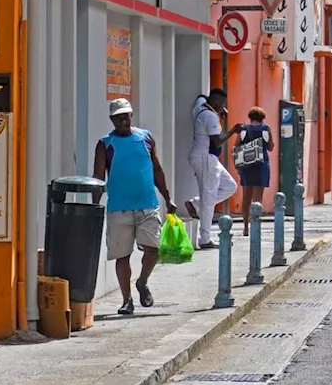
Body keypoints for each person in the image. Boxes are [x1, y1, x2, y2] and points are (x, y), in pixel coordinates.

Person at [92, 98, 176, 316]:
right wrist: (94, 205)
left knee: (153, 249)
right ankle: (126, 299)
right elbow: (98, 177)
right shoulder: (105, 144)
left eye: (126, 115)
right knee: (123, 255)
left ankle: (142, 282)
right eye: (118, 117)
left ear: (131, 115)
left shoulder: (145, 138)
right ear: (111, 119)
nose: (123, 120)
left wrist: (167, 197)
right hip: (119, 207)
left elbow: (157, 169)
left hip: (147, 204)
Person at [186, 88, 240, 248]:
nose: (223, 107)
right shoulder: (210, 116)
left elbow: (201, 97)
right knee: (209, 199)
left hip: (208, 158)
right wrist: (233, 131)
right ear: (215, 102)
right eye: (222, 103)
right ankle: (205, 239)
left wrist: (219, 111)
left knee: (230, 186)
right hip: (206, 158)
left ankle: (196, 203)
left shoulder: (200, 106)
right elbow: (217, 141)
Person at [235, 107, 274, 237]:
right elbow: (271, 147)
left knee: (246, 198)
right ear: (262, 118)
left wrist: (238, 167)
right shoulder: (265, 129)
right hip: (261, 165)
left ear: (250, 117)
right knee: (258, 199)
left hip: (246, 166)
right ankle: (255, 225)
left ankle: (245, 227)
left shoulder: (244, 130)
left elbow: (236, 147)